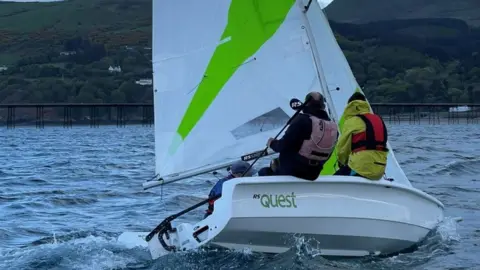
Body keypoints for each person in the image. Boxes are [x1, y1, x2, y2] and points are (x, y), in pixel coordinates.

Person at [259, 91, 338, 181]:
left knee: (263, 172)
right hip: (313, 174)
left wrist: (272, 143)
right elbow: (327, 155)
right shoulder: (334, 128)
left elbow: (283, 146)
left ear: (306, 104)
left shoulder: (303, 120)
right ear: (323, 106)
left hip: (291, 171)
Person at [334, 92, 389, 180]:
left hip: (360, 168)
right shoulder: (379, 119)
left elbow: (343, 149)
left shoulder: (352, 121)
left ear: (350, 106)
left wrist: (341, 163)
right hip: (380, 169)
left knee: (334, 180)